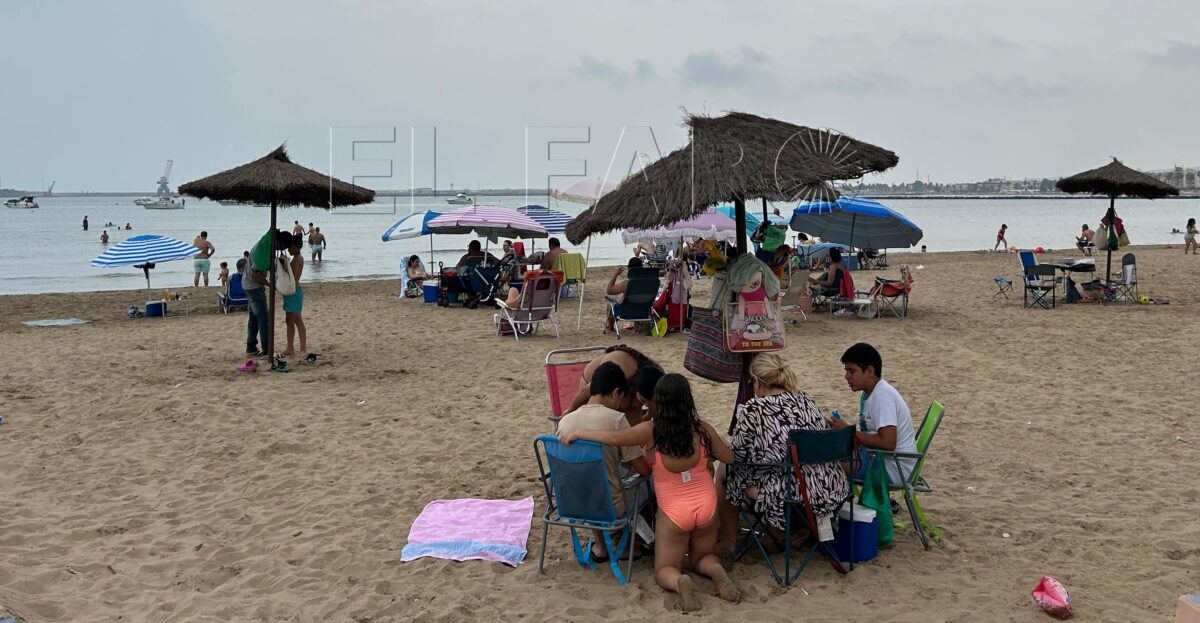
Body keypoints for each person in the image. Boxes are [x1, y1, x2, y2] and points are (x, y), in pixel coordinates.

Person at [559, 374, 740, 612]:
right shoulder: (702, 429)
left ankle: (679, 581)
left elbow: (614, 438)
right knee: (702, 557)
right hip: (706, 506)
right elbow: (729, 457)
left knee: (665, 569)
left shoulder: (650, 431)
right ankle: (714, 569)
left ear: (657, 402)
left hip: (674, 512)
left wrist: (579, 433)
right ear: (688, 400)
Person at [715, 353, 849, 556]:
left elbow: (737, 456)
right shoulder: (806, 400)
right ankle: (774, 535)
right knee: (780, 468)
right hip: (830, 493)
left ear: (757, 382)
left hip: (789, 498)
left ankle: (728, 542)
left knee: (725, 469)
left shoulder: (754, 408)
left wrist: (723, 446)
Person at [555, 362, 651, 561]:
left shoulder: (565, 422)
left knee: (591, 478)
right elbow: (643, 469)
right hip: (610, 506)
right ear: (616, 393)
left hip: (570, 502)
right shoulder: (616, 419)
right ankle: (630, 547)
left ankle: (601, 546)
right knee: (652, 483)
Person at [829, 343, 918, 485]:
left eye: (851, 371)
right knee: (830, 450)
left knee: (828, 461)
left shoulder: (882, 396)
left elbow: (888, 443)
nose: (846, 376)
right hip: (884, 460)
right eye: (846, 371)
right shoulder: (870, 393)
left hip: (894, 469)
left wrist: (849, 432)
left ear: (870, 371)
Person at [566, 345, 661, 427]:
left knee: (632, 432)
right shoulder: (620, 371)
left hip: (629, 388)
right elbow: (585, 392)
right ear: (635, 388)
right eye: (643, 401)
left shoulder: (658, 376)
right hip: (591, 383)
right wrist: (568, 413)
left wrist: (650, 412)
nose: (646, 405)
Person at [242, 229, 291, 358]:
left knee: (254, 317)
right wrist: (270, 285)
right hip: (253, 286)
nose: (282, 250)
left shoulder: (266, 242)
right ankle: (266, 349)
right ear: (279, 243)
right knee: (263, 317)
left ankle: (251, 348)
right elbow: (254, 274)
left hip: (247, 284)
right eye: (283, 247)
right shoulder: (265, 250)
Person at [282, 234, 307, 358]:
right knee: (289, 319)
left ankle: (303, 348)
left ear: (296, 247)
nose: (288, 249)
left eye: (290, 247)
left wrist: (285, 269)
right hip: (290, 292)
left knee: (297, 319)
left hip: (295, 292)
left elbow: (294, 278)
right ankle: (290, 347)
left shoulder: (298, 259)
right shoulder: (295, 258)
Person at [605, 257, 644, 333]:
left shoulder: (628, 283)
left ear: (629, 269)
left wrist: (615, 275)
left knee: (609, 304)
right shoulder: (648, 282)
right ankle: (636, 326)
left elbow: (609, 290)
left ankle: (611, 327)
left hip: (626, 312)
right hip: (643, 311)